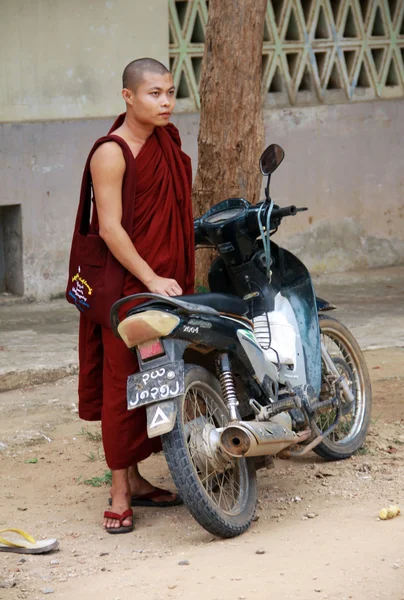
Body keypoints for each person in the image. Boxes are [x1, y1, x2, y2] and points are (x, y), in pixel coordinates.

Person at [76, 58, 195, 534]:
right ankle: (121, 489)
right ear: (128, 97)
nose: (166, 102)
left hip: (167, 281)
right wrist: (150, 278)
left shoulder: (167, 142)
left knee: (163, 378)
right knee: (123, 385)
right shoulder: (112, 152)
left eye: (170, 92)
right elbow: (108, 228)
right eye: (154, 94)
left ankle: (141, 480)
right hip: (129, 287)